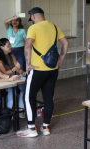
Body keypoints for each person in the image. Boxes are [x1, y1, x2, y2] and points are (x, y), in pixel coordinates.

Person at [16, 7, 69, 137]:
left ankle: (31, 129)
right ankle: (46, 127)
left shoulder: (33, 28)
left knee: (29, 97)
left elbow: (28, 46)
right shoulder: (55, 27)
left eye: (31, 19)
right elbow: (65, 43)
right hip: (52, 70)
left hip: (37, 70)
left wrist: (28, 64)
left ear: (33, 16)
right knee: (48, 98)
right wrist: (61, 58)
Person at [0, 38, 26, 118]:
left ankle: (20, 109)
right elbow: (4, 73)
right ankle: (8, 112)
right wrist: (15, 69)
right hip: (3, 80)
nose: (10, 47)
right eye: (8, 45)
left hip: (13, 78)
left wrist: (23, 72)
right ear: (2, 47)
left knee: (24, 87)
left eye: (10, 45)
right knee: (13, 90)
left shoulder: (12, 55)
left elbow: (18, 68)